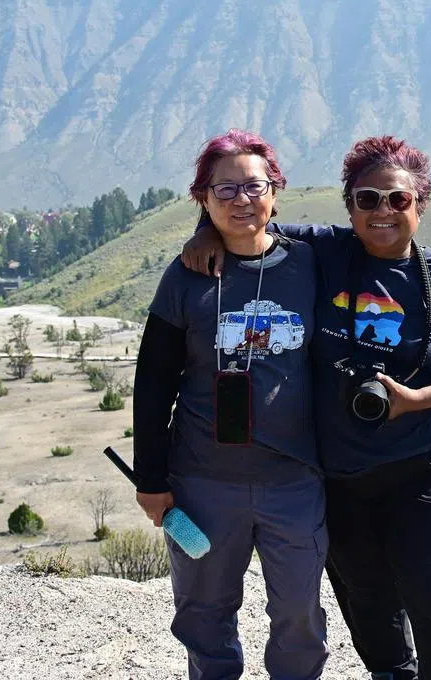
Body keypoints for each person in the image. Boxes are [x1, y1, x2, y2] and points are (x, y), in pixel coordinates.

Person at [183, 135, 431, 680]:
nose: (382, 212)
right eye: (367, 199)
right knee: (367, 600)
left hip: (424, 468)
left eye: (397, 200)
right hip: (341, 476)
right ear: (349, 206)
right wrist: (203, 229)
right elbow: (251, 218)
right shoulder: (325, 252)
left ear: (419, 205)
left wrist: (415, 400)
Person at [133, 129, 328, 680]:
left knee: (298, 614)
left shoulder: (312, 265)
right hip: (202, 483)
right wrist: (151, 480)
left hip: (294, 482)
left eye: (253, 186)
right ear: (203, 199)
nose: (241, 200)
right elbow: (153, 384)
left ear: (276, 192)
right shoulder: (186, 275)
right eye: (224, 191)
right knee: (204, 614)